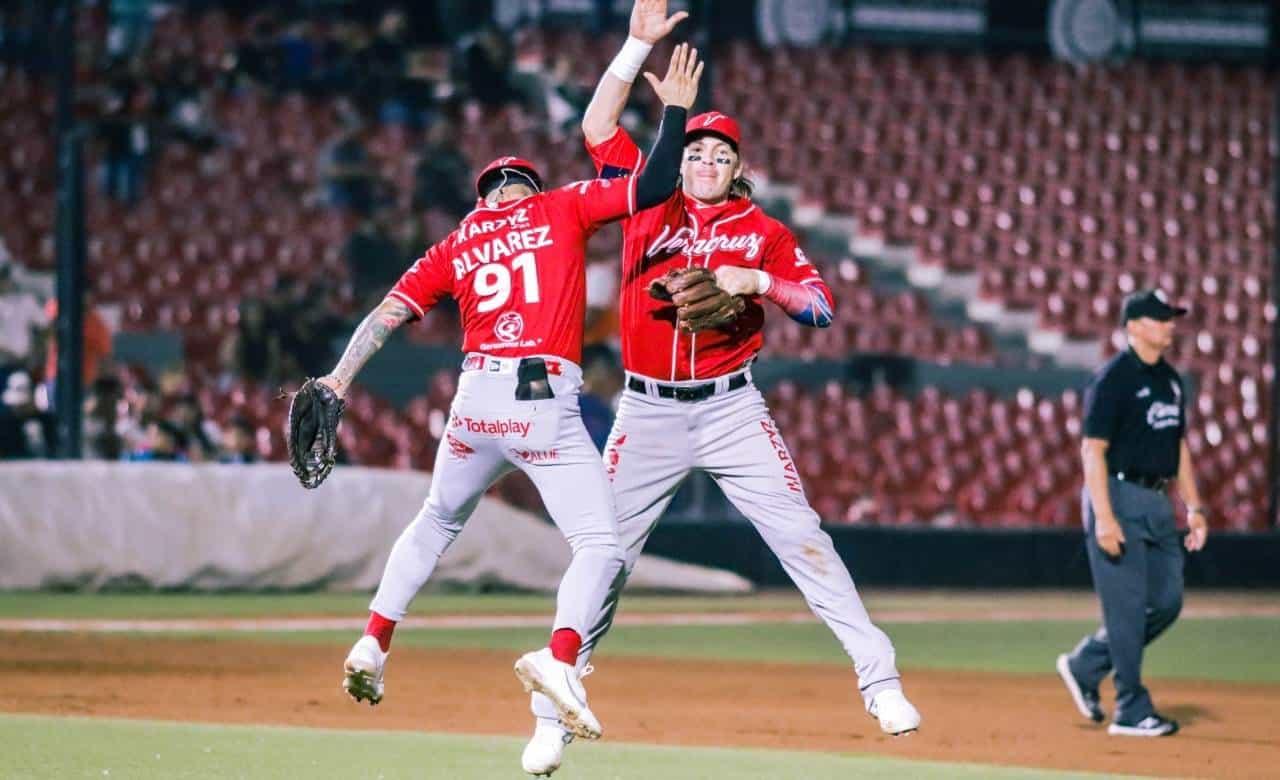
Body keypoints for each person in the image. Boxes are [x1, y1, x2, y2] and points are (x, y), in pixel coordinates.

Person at [521, 3, 921, 773]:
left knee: (804, 539)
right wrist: (637, 48)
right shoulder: (644, 195)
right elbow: (598, 124)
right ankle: (552, 715)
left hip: (732, 406)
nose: (704, 162)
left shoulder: (764, 230)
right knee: (602, 559)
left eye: (719, 155)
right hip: (646, 410)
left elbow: (822, 307)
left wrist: (757, 279)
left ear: (739, 167)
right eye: (697, 149)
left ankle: (881, 681)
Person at [310, 42, 700, 760]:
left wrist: (338, 377)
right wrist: (674, 111)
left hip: (475, 403)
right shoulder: (561, 206)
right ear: (527, 187)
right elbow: (650, 186)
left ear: (485, 196)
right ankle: (558, 656)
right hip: (542, 402)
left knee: (434, 522)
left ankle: (373, 641)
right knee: (600, 547)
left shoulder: (457, 241)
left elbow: (387, 315)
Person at [1055, 289, 1207, 737]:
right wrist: (1104, 516)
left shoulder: (1172, 381)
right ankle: (1130, 708)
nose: (1170, 325)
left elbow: (1178, 446)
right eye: (1161, 319)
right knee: (1124, 610)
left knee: (1167, 601)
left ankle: (1087, 665)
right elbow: (1092, 450)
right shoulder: (1114, 379)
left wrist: (1194, 506)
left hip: (1158, 500)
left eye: (1171, 319)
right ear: (1135, 325)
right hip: (1117, 494)